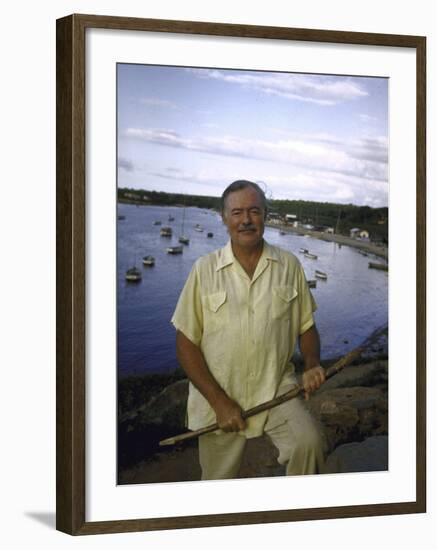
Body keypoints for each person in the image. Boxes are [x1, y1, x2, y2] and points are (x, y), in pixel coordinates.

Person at [171, 180, 327, 480]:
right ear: (224, 218)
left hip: (276, 387)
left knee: (309, 445)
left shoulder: (289, 265)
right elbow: (185, 342)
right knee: (218, 483)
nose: (246, 220)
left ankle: (301, 518)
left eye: (254, 211)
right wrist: (218, 401)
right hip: (220, 397)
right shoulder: (204, 270)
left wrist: (311, 364)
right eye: (237, 212)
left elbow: (306, 326)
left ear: (265, 215)